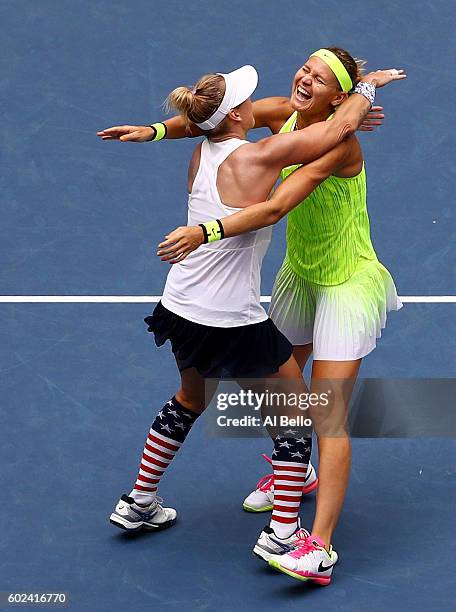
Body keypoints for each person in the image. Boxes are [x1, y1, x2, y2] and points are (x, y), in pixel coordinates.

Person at [99, 58, 404, 585]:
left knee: (201, 399)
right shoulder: (272, 145)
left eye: (318, 76)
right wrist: (365, 92)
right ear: (238, 117)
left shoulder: (206, 148)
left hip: (182, 307)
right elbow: (277, 200)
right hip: (238, 315)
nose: (303, 79)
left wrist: (154, 133)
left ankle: (140, 500)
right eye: (304, 70)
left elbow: (201, 121)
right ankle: (284, 530)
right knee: (295, 418)